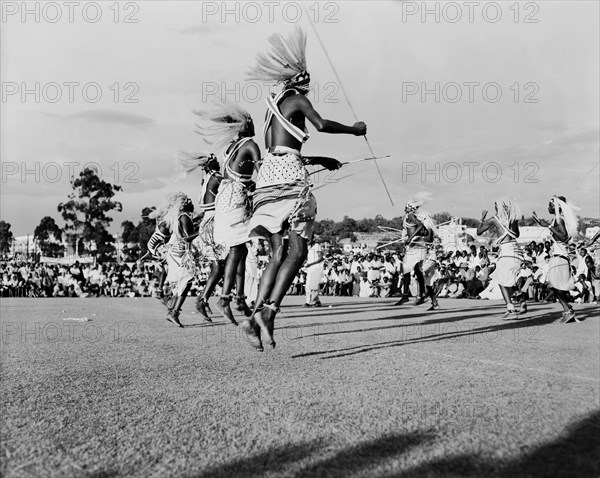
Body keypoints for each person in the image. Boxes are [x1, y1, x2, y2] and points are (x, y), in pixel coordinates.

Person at [240, 27, 367, 350]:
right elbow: (321, 125)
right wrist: (354, 130)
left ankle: (256, 314)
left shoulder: (272, 105)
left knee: (276, 254)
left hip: (268, 181)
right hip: (289, 181)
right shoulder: (298, 99)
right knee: (298, 251)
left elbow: (283, 149)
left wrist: (319, 159)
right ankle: (268, 314)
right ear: (299, 78)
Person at [194, 102, 261, 325]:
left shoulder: (230, 148)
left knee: (239, 248)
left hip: (225, 200)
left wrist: (248, 186)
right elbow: (262, 176)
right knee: (237, 249)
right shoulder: (251, 145)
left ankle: (238, 298)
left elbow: (237, 176)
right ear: (246, 125)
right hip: (235, 200)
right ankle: (224, 299)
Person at [176, 152, 224, 322]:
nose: (219, 163)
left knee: (219, 266)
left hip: (208, 222)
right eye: (216, 161)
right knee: (218, 266)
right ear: (210, 165)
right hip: (212, 224)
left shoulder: (205, 179)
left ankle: (201, 300)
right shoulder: (217, 177)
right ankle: (201, 301)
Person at [533, 195, 581, 322]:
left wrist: (548, 226)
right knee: (555, 285)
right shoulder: (557, 220)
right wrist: (542, 223)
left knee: (554, 285)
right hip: (559, 257)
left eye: (551, 204)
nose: (548, 206)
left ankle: (567, 309)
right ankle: (567, 307)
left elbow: (563, 237)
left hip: (559, 257)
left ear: (558, 206)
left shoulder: (560, 220)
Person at [477, 197, 525, 319]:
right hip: (517, 252)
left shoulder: (494, 219)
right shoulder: (513, 218)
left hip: (507, 252)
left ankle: (511, 309)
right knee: (508, 280)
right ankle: (521, 299)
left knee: (500, 280)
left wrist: (482, 218)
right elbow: (517, 235)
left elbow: (479, 231)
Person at [161, 192, 199, 327]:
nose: (193, 204)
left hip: (175, 253)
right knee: (186, 281)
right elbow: (187, 237)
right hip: (180, 253)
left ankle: (173, 309)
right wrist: (201, 230)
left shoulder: (180, 216)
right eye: (190, 202)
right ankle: (174, 312)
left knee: (183, 283)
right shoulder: (184, 217)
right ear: (185, 204)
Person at [395, 192, 437, 308]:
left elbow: (421, 227)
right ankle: (420, 294)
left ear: (409, 208)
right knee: (415, 270)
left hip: (416, 248)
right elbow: (421, 229)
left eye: (406, 206)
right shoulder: (409, 217)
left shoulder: (410, 216)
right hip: (416, 247)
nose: (404, 208)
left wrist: (410, 238)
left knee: (408, 269)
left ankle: (407, 295)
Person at [304, 235, 324, 307]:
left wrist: (311, 264)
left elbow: (321, 258)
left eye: (309, 239)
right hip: (310, 268)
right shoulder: (309, 247)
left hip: (316, 267)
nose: (308, 241)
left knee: (313, 286)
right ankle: (316, 301)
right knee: (308, 285)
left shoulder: (317, 246)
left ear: (313, 239)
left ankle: (310, 302)